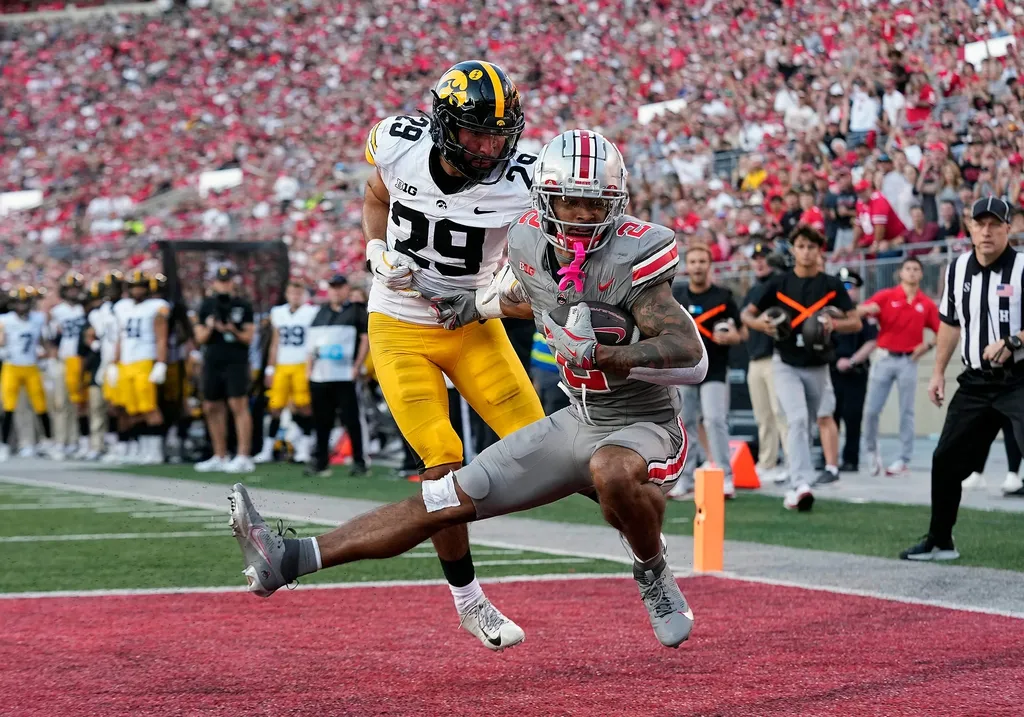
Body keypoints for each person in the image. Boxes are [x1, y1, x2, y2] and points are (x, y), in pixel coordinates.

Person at [229, 129, 707, 650]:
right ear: (544, 198)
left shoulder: (638, 252)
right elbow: (527, 294)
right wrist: (473, 307)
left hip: (644, 424)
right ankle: (290, 557)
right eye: (569, 200)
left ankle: (651, 568)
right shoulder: (527, 239)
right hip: (579, 418)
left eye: (595, 205)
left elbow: (692, 356)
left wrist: (605, 355)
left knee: (610, 472)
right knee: (442, 497)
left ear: (617, 203)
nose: (580, 216)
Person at [360, 60, 545, 649]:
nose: (489, 147)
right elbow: (374, 193)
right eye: (474, 133)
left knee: (548, 449)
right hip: (399, 325)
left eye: (498, 133)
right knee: (441, 459)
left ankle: (650, 561)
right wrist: (372, 247)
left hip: (473, 326)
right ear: (443, 126)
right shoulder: (397, 145)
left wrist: (491, 300)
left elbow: (540, 275)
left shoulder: (523, 178)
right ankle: (469, 600)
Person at [902, 197, 1024, 561]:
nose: (986, 231)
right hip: (974, 381)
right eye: (979, 224)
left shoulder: (1022, 268)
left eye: (994, 224)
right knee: (945, 459)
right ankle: (940, 541)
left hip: (1019, 379)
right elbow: (950, 324)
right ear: (969, 228)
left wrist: (1014, 340)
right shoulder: (956, 270)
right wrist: (938, 372)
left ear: (1008, 228)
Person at [741, 226, 863, 510]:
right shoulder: (778, 283)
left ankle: (796, 488)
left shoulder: (831, 285)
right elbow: (747, 314)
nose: (806, 251)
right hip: (785, 364)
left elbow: (855, 321)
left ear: (819, 250)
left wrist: (834, 324)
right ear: (793, 249)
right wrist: (762, 325)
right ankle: (800, 484)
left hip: (818, 365)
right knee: (796, 420)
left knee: (805, 425)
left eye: (811, 246)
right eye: (801, 246)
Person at [669, 244, 743, 499]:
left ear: (710, 265)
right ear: (687, 266)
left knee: (714, 420)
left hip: (715, 369)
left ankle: (725, 476)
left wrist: (731, 337)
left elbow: (741, 332)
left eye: (703, 261)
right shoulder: (677, 296)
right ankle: (686, 477)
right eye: (694, 261)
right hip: (685, 369)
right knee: (684, 423)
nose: (698, 266)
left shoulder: (723, 296)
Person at [859, 257, 939, 477]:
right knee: (872, 410)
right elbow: (864, 311)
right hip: (884, 357)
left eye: (916, 269)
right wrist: (863, 310)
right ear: (900, 273)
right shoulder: (886, 296)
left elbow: (943, 331)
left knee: (907, 411)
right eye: (908, 269)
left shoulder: (926, 304)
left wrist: (927, 345)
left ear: (921, 275)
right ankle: (871, 451)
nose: (912, 272)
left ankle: (903, 458)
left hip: (908, 361)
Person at [306, 275, 370, 477]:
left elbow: (364, 339)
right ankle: (321, 461)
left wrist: (356, 365)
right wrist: (309, 368)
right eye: (333, 287)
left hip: (344, 374)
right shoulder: (321, 312)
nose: (336, 291)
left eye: (339, 287)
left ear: (346, 289)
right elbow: (312, 343)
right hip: (321, 374)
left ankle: (359, 461)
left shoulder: (356, 311)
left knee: (351, 419)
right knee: (322, 421)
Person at [194, 266, 255, 474]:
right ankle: (220, 455)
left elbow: (249, 337)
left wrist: (232, 330)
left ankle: (243, 455)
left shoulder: (242, 305)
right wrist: (211, 327)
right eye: (221, 281)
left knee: (238, 404)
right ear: (214, 283)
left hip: (235, 360)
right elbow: (199, 337)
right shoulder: (207, 305)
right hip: (212, 360)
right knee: (211, 406)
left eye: (227, 281)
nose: (224, 284)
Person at [254, 281, 318, 464]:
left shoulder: (310, 312)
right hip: (282, 365)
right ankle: (267, 450)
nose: (295, 296)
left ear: (304, 295)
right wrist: (270, 368)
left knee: (304, 406)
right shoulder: (278, 313)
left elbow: (312, 342)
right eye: (292, 293)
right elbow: (275, 343)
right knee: (275, 407)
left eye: (298, 293)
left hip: (301, 364)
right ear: (287, 294)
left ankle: (304, 449)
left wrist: (309, 366)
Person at [110, 271, 170, 465]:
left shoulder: (156, 307)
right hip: (126, 362)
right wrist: (114, 362)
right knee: (130, 410)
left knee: (149, 407)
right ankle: (142, 448)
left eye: (141, 286)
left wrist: (161, 363)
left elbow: (162, 338)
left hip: (145, 360)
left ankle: (155, 450)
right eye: (135, 286)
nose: (138, 290)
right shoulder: (122, 307)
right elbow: (121, 337)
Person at [824, 269, 877, 475]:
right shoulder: (830, 315)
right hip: (832, 370)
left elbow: (872, 341)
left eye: (850, 287)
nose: (847, 292)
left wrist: (852, 361)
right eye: (843, 287)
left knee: (853, 417)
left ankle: (850, 459)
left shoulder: (862, 315)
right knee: (830, 415)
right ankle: (830, 459)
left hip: (855, 372)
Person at [743, 242, 788, 483]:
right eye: (756, 258)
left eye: (764, 258)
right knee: (763, 415)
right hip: (755, 356)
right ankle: (767, 461)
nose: (759, 262)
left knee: (780, 413)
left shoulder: (779, 284)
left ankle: (792, 462)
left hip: (775, 356)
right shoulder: (754, 289)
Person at [0, 287, 53, 460]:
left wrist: (47, 358)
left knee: (40, 405)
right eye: (18, 302)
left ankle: (48, 442)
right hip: (12, 365)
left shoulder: (38, 319)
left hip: (31, 366)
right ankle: (4, 445)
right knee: (8, 407)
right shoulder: (5, 320)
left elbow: (43, 341)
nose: (22, 306)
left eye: (24, 302)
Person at [48, 272, 88, 458]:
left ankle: (76, 441)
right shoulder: (57, 311)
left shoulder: (85, 309)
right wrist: (53, 359)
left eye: (76, 289)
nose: (73, 292)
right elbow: (53, 338)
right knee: (61, 403)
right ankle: (61, 441)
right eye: (70, 289)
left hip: (82, 360)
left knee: (80, 402)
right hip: (64, 359)